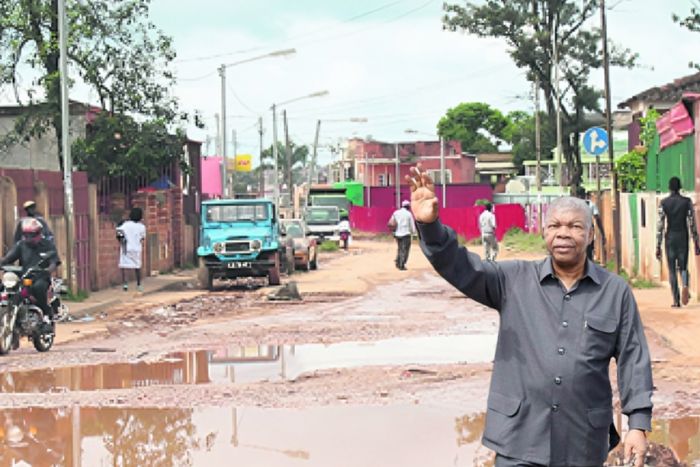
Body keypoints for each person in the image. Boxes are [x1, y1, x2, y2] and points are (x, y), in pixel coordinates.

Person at [407, 165, 652, 467]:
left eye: (575, 227)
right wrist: (430, 226)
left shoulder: (615, 292)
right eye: (555, 226)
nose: (563, 233)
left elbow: (633, 357)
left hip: (583, 442)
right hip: (518, 437)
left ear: (590, 235)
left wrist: (637, 424)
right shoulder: (512, 279)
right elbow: (461, 267)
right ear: (544, 232)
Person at [0, 218, 60, 339]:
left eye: (31, 235)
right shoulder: (21, 245)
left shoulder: (47, 244)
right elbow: (9, 258)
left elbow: (54, 261)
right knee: (5, 287)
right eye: (25, 235)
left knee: (38, 288)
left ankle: (46, 318)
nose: (28, 238)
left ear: (38, 233)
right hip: (25, 277)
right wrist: (2, 262)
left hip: (41, 277)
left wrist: (48, 269)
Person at [656, 176, 700, 307]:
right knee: (683, 267)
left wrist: (658, 245)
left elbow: (660, 225)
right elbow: (692, 223)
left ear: (669, 187)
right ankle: (685, 284)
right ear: (680, 187)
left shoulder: (664, 203)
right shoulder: (687, 202)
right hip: (683, 237)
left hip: (670, 238)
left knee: (672, 270)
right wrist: (696, 241)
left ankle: (676, 300)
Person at [117, 207, 146, 292]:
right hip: (136, 248)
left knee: (124, 265)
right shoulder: (142, 227)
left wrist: (122, 241)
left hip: (126, 247)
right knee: (137, 266)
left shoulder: (125, 225)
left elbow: (119, 233)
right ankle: (139, 284)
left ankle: (125, 284)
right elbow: (142, 238)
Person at [576, 188, 606, 261]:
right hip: (588, 230)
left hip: (576, 230)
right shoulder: (591, 204)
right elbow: (598, 219)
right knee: (589, 251)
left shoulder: (573, 205)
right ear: (585, 195)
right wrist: (602, 233)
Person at [389, 200, 416, 270]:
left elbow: (391, 223)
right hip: (406, 234)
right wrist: (415, 237)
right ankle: (401, 265)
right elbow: (412, 226)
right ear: (408, 206)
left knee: (400, 248)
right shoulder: (409, 214)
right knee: (405, 250)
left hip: (397, 234)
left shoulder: (396, 213)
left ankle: (398, 262)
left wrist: (394, 233)